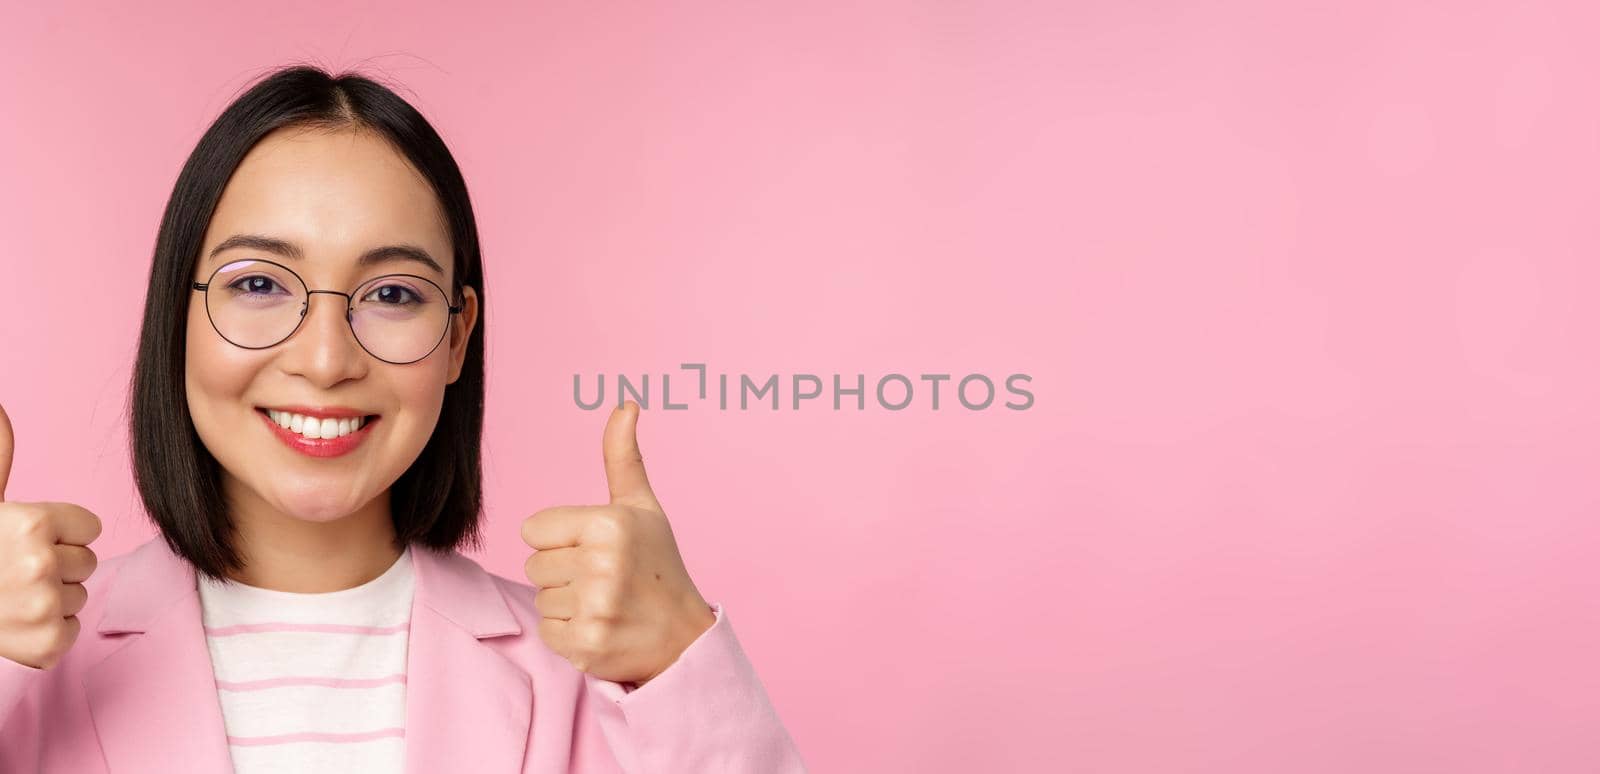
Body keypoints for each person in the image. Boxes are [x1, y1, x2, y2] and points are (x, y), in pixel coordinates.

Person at [0, 64, 807, 773]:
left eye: (392, 295)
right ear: (177, 314)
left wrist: (679, 659)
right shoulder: (24, 660)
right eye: (258, 284)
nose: (324, 360)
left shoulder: (597, 678)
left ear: (457, 338)